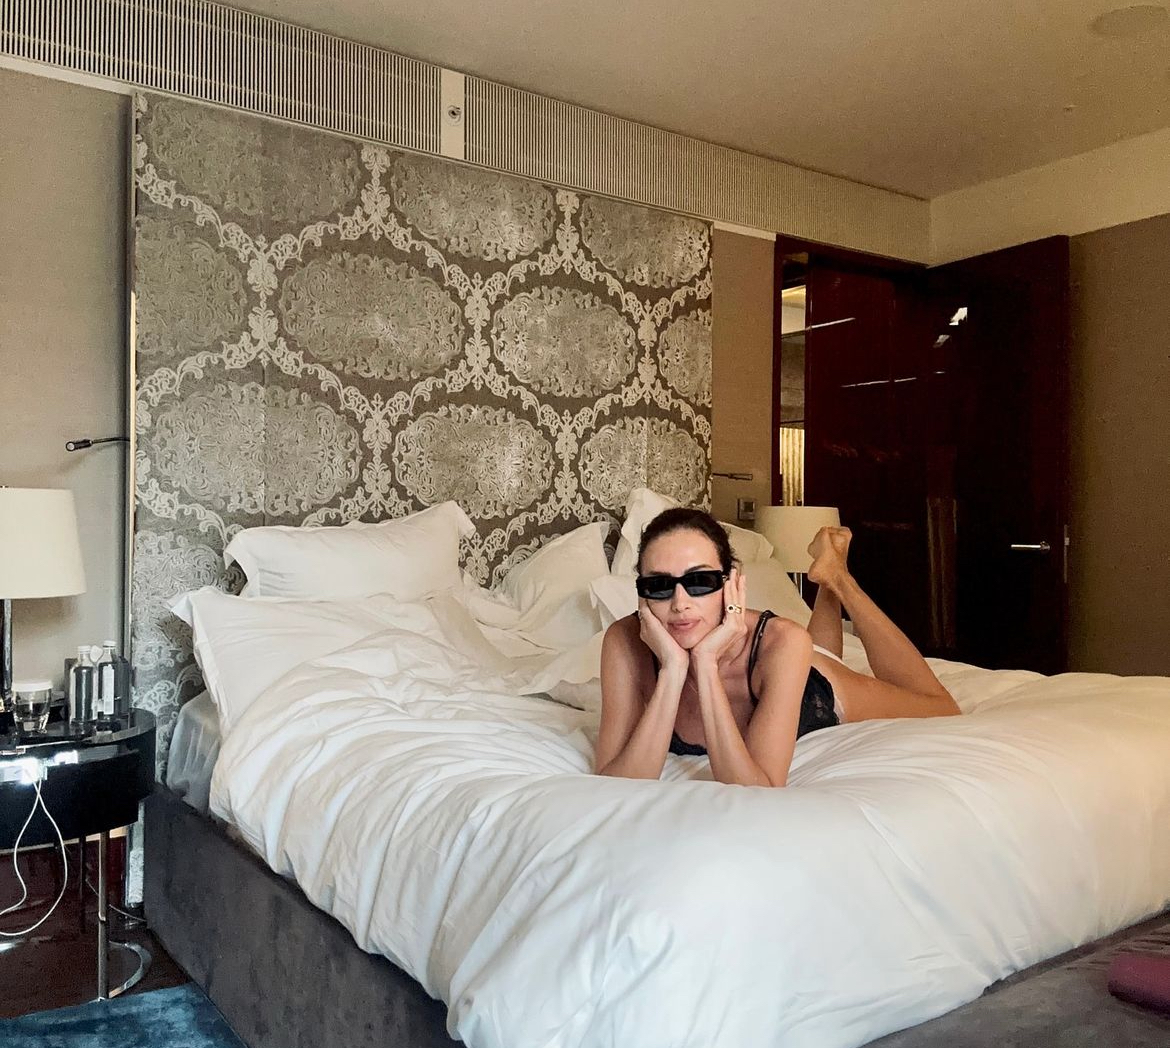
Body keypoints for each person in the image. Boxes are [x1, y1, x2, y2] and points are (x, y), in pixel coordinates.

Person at [595, 507, 958, 787]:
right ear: (641, 594)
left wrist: (705, 663)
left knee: (940, 706)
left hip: (807, 684)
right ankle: (828, 582)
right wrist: (674, 669)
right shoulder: (624, 641)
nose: (680, 604)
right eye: (659, 586)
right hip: (774, 662)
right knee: (817, 646)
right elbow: (614, 782)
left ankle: (838, 579)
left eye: (700, 581)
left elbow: (758, 788)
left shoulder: (784, 640)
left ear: (731, 583)